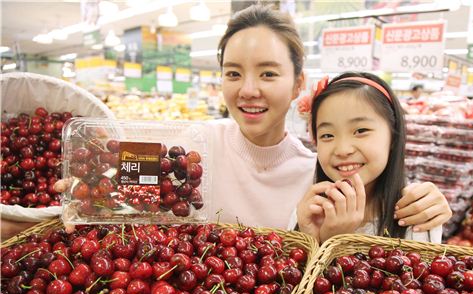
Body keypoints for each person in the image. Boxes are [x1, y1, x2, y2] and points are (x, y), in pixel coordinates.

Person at [43, 4, 451, 236]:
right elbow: (126, 179)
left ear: (298, 85)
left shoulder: (317, 173)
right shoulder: (188, 148)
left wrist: (424, 202)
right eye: (233, 73)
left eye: (269, 73)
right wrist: (90, 183)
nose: (248, 89)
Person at [296, 72, 441, 243]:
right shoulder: (308, 211)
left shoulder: (416, 214)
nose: (343, 150)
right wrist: (317, 239)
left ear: (393, 135)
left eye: (361, 131)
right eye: (327, 135)